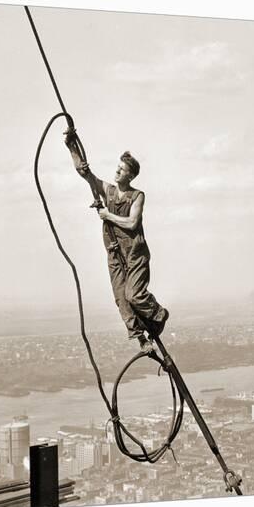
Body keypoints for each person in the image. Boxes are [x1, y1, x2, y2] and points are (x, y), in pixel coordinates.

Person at [65, 130, 169, 353]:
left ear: (130, 176)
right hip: (114, 252)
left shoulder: (137, 195)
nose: (117, 171)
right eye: (118, 167)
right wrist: (71, 146)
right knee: (122, 299)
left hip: (134, 254)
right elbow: (86, 174)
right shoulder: (108, 191)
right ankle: (141, 339)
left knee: (134, 295)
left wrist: (107, 215)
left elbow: (132, 223)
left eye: (122, 170)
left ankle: (158, 314)